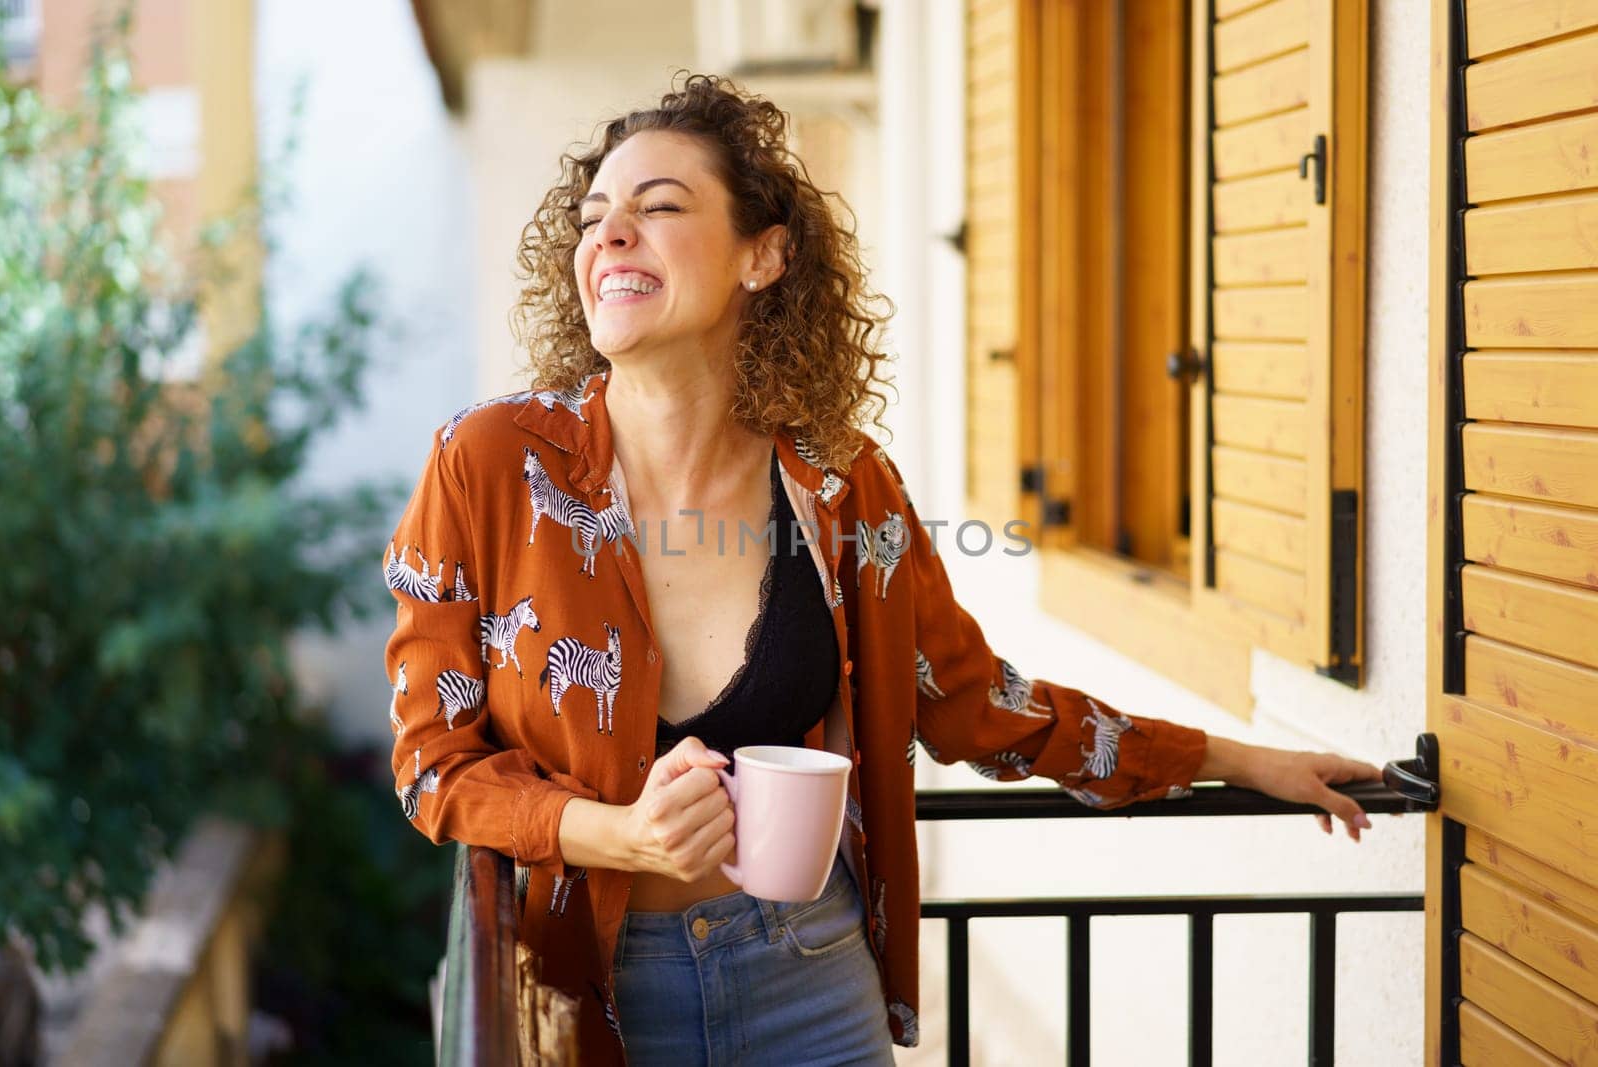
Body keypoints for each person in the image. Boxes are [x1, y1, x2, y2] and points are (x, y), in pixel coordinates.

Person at [383, 73, 1384, 1066]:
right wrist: (613, 832)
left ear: (763, 256)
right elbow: (433, 762)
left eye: (660, 207)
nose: (607, 235)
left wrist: (1241, 758)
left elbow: (974, 703)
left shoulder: (840, 487)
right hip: (590, 992)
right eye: (595, 215)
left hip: (809, 974)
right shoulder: (487, 464)